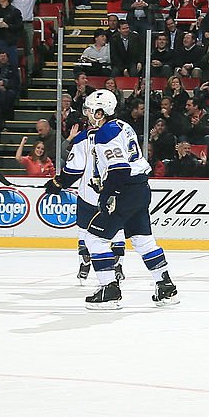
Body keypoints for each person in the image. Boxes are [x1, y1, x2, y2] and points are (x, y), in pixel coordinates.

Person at [70, 90, 178, 309]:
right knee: (143, 239)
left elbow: (119, 168)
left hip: (125, 190)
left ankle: (109, 289)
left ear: (101, 112)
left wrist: (108, 194)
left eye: (91, 111)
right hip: (140, 188)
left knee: (93, 238)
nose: (88, 115)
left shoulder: (104, 133)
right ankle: (165, 286)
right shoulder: (122, 125)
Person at [42, 122, 127, 285]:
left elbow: (73, 170)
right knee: (117, 229)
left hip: (88, 195)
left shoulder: (84, 138)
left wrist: (59, 183)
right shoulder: (121, 133)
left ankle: (85, 263)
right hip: (113, 193)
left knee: (84, 230)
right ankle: (117, 266)